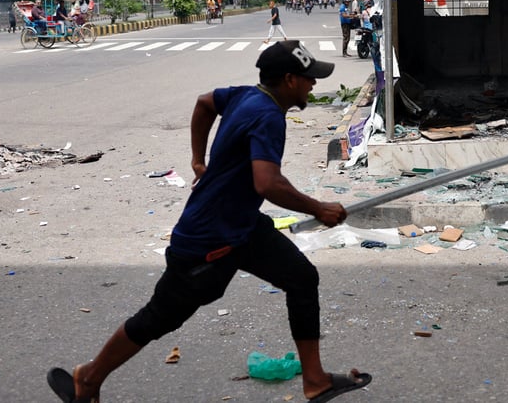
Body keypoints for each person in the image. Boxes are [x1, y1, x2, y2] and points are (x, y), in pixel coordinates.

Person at [46, 40, 371, 402]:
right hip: (209, 239)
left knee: (302, 278)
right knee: (159, 317)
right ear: (290, 79)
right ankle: (87, 379)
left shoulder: (245, 96)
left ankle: (315, 379)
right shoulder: (268, 115)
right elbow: (267, 182)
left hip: (243, 227)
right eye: (309, 78)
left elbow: (204, 103)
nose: (313, 85)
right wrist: (318, 208)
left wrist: (198, 160)